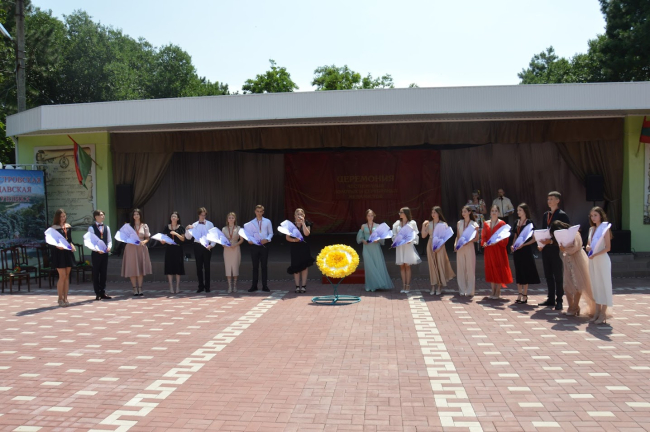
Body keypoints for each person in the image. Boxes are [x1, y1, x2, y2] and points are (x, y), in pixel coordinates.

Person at [551, 221, 595, 317]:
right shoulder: (561, 237)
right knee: (567, 285)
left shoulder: (575, 233)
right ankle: (571, 306)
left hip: (578, 260)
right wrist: (563, 249)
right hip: (568, 260)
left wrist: (565, 249)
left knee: (578, 284)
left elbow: (576, 247)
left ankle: (575, 307)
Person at [539, 191, 571, 310]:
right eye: (548, 199)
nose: (549, 201)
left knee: (558, 275)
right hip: (546, 249)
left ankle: (559, 300)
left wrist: (552, 241)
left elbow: (566, 234)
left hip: (557, 248)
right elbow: (543, 231)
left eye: (552, 199)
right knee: (548, 275)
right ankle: (551, 298)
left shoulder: (562, 215)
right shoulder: (545, 215)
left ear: (558, 200)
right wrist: (540, 244)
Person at [586, 207, 613, 325]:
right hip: (592, 260)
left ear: (601, 216)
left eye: (595, 215)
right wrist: (587, 247)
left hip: (602, 260)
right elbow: (589, 244)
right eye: (591, 215)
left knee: (604, 285)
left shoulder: (605, 229)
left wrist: (596, 254)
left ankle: (603, 313)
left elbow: (608, 247)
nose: (593, 217)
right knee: (595, 285)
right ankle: (596, 312)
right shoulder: (591, 229)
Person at [356, 209, 394, 292]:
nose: (370, 217)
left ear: (374, 216)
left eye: (372, 215)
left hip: (375, 247)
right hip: (367, 248)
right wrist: (363, 241)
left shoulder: (378, 226)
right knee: (369, 266)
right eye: (368, 215)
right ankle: (370, 285)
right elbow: (359, 237)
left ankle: (378, 284)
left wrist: (378, 240)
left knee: (377, 265)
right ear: (366, 217)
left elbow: (382, 237)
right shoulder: (363, 226)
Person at [421, 206, 455, 296]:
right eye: (432, 212)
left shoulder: (443, 224)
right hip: (430, 244)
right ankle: (433, 285)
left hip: (440, 245)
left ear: (439, 213)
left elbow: (445, 237)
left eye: (435, 212)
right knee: (432, 265)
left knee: (440, 264)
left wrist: (440, 246)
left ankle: (440, 285)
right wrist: (423, 225)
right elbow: (423, 236)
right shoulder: (429, 224)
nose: (433, 214)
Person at [510, 204, 540, 304]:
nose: (518, 212)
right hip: (517, 251)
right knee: (518, 271)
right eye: (517, 210)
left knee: (525, 271)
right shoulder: (516, 222)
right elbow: (515, 236)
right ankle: (519, 293)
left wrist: (524, 244)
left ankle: (525, 294)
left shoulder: (529, 222)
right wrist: (513, 245)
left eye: (520, 210)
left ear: (525, 211)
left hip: (526, 250)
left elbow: (534, 239)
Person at [482, 205, 513, 299]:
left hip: (499, 249)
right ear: (490, 212)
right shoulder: (486, 223)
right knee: (491, 268)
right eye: (492, 211)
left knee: (499, 268)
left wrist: (497, 242)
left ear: (498, 212)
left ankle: (498, 291)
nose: (494, 212)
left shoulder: (502, 223)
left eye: (496, 211)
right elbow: (483, 236)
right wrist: (484, 243)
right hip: (489, 250)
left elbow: (505, 238)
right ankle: (492, 290)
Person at [121, 208, 152, 296]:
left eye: (137, 214)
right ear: (132, 216)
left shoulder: (144, 225)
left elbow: (147, 238)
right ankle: (134, 288)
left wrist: (144, 242)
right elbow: (123, 237)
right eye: (134, 214)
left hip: (141, 248)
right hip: (131, 248)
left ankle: (140, 288)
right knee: (132, 268)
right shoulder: (128, 226)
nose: (136, 216)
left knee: (140, 268)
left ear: (140, 215)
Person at [185, 207, 215, 293]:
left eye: (204, 215)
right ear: (198, 215)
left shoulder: (210, 224)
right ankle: (200, 286)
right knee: (199, 267)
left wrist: (211, 245)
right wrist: (187, 229)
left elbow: (214, 236)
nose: (203, 216)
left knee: (207, 267)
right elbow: (188, 237)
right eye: (202, 215)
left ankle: (207, 287)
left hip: (207, 246)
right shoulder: (194, 225)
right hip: (197, 246)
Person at [50, 209, 75, 307]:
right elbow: (51, 242)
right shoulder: (53, 228)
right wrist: (57, 246)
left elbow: (70, 240)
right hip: (58, 253)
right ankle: (60, 298)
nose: (63, 218)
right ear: (57, 217)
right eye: (61, 216)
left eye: (64, 216)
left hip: (67, 252)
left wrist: (72, 245)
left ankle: (66, 298)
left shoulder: (68, 226)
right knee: (62, 276)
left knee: (67, 276)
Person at [286, 208, 315, 293]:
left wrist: (303, 223)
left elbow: (307, 234)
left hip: (304, 247)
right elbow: (287, 237)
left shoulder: (307, 224)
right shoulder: (291, 225)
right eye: (298, 214)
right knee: (296, 266)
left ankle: (304, 286)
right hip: (295, 247)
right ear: (295, 216)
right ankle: (297, 286)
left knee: (304, 267)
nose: (299, 216)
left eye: (301, 214)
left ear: (304, 215)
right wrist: (295, 240)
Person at [392, 207, 421, 294]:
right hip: (400, 246)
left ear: (405, 213)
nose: (399, 214)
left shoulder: (412, 223)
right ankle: (403, 285)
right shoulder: (397, 223)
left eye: (401, 212)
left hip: (408, 246)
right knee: (402, 266)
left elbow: (415, 234)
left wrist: (411, 240)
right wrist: (396, 240)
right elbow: (394, 235)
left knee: (407, 265)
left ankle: (408, 285)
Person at [248, 205, 274, 292]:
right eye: (257, 211)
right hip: (254, 246)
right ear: (255, 212)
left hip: (264, 246)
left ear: (263, 212)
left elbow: (271, 233)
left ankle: (264, 285)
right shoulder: (251, 223)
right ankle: (254, 285)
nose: (259, 213)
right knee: (255, 266)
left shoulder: (267, 221)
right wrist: (249, 240)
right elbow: (249, 235)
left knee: (264, 266)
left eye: (260, 211)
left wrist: (267, 239)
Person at [455, 206, 479, 296]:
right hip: (460, 247)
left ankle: (470, 290)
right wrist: (456, 245)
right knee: (461, 268)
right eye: (462, 212)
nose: (463, 213)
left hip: (469, 246)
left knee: (470, 268)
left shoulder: (474, 224)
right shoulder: (459, 223)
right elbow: (458, 237)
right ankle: (462, 289)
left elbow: (476, 238)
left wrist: (468, 241)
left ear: (469, 212)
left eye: (465, 211)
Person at [88, 209, 112, 301]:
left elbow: (109, 240)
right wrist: (97, 250)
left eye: (103, 214)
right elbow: (91, 242)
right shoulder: (91, 228)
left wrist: (109, 247)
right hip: (96, 254)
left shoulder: (107, 227)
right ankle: (97, 293)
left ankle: (103, 292)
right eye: (101, 215)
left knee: (103, 273)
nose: (103, 216)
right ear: (96, 217)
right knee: (96, 273)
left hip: (104, 253)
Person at [161, 211, 185, 294]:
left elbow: (183, 239)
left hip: (178, 249)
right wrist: (163, 241)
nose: (173, 217)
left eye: (175, 216)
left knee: (178, 267)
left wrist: (176, 234)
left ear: (178, 218)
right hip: (169, 249)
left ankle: (177, 286)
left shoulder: (181, 227)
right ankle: (171, 286)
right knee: (169, 267)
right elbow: (163, 239)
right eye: (172, 216)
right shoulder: (166, 227)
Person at [222, 212, 244, 294]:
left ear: (235, 219)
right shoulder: (224, 229)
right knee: (228, 267)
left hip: (235, 248)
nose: (231, 219)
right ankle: (229, 286)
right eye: (229, 218)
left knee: (235, 266)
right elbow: (221, 240)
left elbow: (242, 239)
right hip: (227, 249)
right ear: (227, 219)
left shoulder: (239, 228)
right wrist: (224, 245)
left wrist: (236, 244)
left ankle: (235, 286)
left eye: (232, 218)